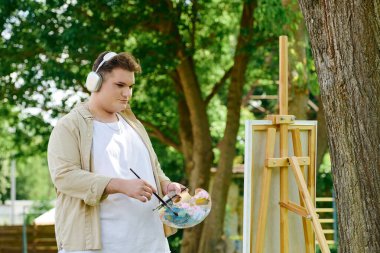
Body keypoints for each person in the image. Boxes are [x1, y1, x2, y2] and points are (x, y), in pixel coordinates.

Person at [47, 51, 182, 253]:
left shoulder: (134, 125)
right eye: (120, 85)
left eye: (130, 87)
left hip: (152, 243)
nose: (127, 93)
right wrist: (119, 185)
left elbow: (154, 168)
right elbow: (64, 176)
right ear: (95, 83)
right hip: (100, 247)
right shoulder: (69, 126)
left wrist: (167, 184)